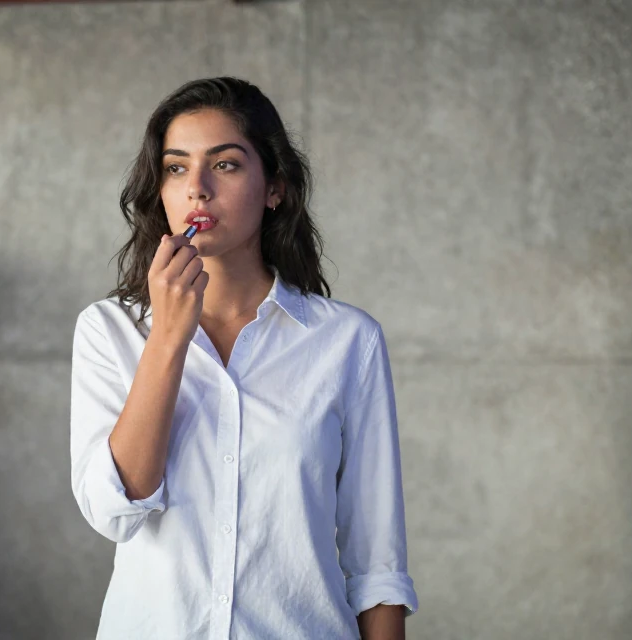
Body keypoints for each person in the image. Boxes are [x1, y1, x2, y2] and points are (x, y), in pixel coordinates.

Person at [70, 77, 417, 640]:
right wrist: (167, 341)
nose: (197, 190)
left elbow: (377, 564)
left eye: (226, 165)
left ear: (274, 187)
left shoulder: (349, 342)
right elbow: (118, 508)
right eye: (176, 168)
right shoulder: (108, 331)